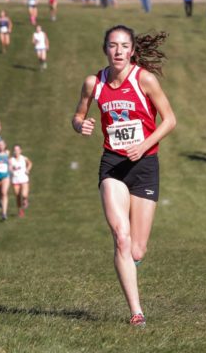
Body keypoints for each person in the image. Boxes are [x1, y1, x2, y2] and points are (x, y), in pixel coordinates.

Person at [71, 25, 177, 327]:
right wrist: (80, 125)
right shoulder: (94, 83)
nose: (118, 51)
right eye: (113, 46)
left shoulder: (144, 79)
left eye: (124, 46)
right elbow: (77, 115)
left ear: (132, 51)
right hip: (113, 165)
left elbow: (170, 120)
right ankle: (137, 312)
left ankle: (130, 265)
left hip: (145, 166)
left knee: (137, 249)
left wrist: (143, 145)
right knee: (121, 237)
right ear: (105, 48)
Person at [9, 144, 32, 217]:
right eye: (15, 150)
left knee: (24, 194)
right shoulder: (11, 159)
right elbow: (9, 167)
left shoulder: (24, 158)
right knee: (17, 196)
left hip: (24, 178)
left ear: (20, 151)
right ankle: (20, 210)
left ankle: (25, 200)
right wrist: (11, 171)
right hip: (15, 179)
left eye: (18, 150)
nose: (16, 151)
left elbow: (30, 163)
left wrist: (28, 170)